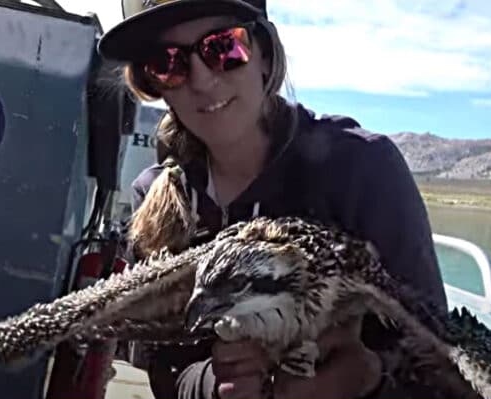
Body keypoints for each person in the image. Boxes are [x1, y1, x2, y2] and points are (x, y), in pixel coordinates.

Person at [97, 1, 448, 398]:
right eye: (168, 63)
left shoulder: (361, 169)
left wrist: (369, 377)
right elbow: (161, 370)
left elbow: (437, 361)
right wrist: (212, 384)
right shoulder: (154, 198)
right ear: (155, 86)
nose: (201, 79)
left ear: (264, 54)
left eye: (223, 47)